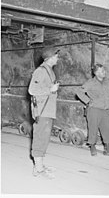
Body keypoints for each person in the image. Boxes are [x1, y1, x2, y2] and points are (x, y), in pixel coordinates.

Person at [28, 47, 60, 179]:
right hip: (42, 110)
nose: (58, 58)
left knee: (44, 138)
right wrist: (50, 89)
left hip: (48, 109)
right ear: (50, 58)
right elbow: (32, 90)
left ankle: (40, 165)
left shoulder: (49, 71)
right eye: (56, 56)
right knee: (40, 137)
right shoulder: (40, 71)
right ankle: (38, 169)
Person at [76, 64, 109, 156]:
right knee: (93, 128)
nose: (104, 72)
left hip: (104, 109)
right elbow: (79, 92)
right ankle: (92, 147)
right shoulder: (90, 83)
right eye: (102, 71)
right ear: (96, 73)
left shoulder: (106, 82)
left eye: (104, 70)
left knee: (107, 128)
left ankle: (107, 148)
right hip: (94, 109)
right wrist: (88, 101)